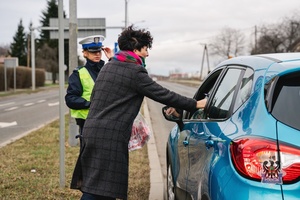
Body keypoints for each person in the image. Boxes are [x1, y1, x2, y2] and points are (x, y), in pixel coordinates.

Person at [70, 25, 207, 200]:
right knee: (100, 191)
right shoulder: (134, 71)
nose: (147, 54)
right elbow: (163, 94)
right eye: (145, 49)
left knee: (98, 186)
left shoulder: (110, 66)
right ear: (135, 50)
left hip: (92, 131)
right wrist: (196, 104)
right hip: (109, 137)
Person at [65, 35, 113, 136]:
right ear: (85, 53)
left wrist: (112, 59)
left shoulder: (107, 70)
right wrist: (90, 104)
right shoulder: (78, 74)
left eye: (99, 51)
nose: (97, 54)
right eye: (93, 51)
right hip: (88, 124)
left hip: (107, 122)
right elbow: (71, 99)